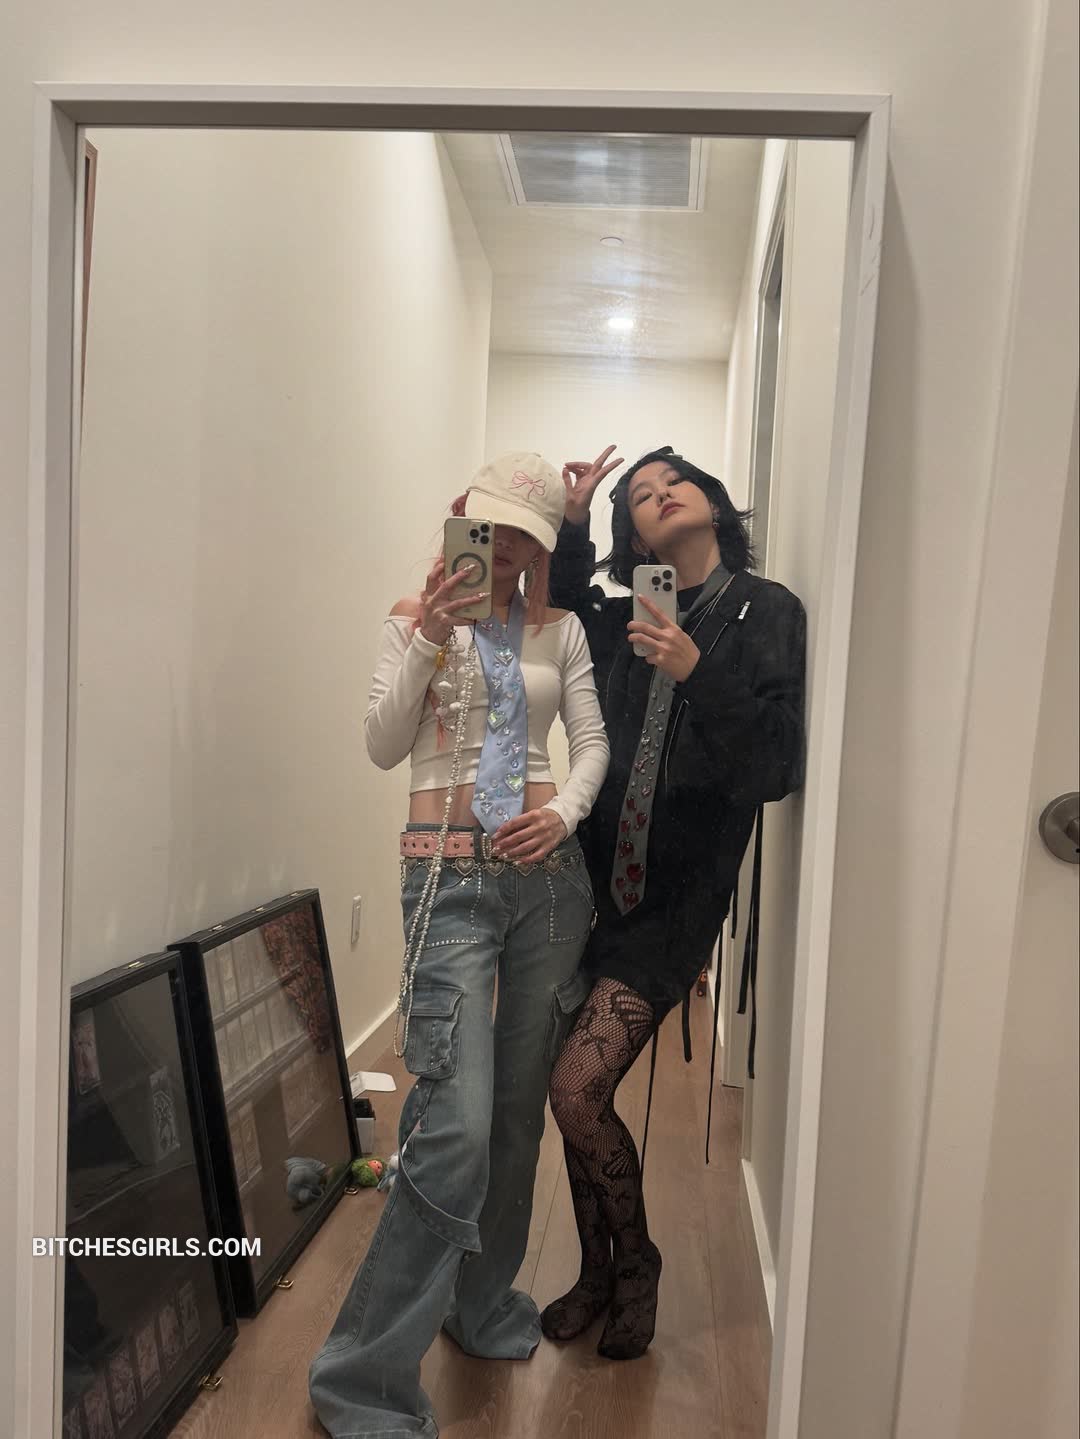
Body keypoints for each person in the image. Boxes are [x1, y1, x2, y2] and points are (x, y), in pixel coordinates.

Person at [309, 452, 609, 1438]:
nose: (508, 545)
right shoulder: (416, 616)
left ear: (547, 544)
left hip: (548, 885)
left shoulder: (561, 630)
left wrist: (563, 813)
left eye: (528, 532)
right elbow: (383, 742)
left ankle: (480, 1304)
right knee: (453, 1123)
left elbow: (591, 743)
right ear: (461, 519)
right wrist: (434, 634)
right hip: (446, 881)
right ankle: (359, 1379)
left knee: (515, 1116)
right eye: (494, 524)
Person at [540, 444, 806, 1361]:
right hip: (586, 887)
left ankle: (639, 1261)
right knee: (570, 1093)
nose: (658, 495)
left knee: (577, 1090)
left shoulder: (769, 611)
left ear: (713, 501)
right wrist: (575, 519)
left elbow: (775, 763)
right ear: (636, 537)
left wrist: (697, 668)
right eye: (640, 496)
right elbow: (563, 602)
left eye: (672, 481)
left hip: (677, 901)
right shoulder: (625, 616)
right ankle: (594, 1270)